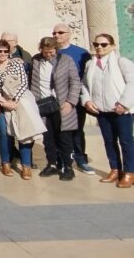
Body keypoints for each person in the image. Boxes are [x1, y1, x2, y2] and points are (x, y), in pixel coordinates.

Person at [0, 39, 45, 180]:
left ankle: (26, 166)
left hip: (20, 101)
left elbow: (24, 82)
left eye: (5, 51)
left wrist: (14, 101)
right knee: (5, 134)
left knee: (24, 133)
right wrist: (4, 102)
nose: (2, 54)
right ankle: (5, 162)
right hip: (2, 103)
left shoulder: (16, 63)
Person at [81, 33, 134, 188]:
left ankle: (130, 172)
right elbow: (84, 85)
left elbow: (132, 83)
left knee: (126, 142)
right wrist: (87, 100)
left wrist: (124, 104)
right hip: (102, 111)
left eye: (103, 44)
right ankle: (115, 169)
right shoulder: (90, 64)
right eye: (96, 44)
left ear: (112, 46)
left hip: (121, 111)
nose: (99, 47)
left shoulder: (121, 62)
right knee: (109, 141)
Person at [31, 37, 81, 182]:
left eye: (51, 52)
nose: (48, 55)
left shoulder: (66, 60)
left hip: (62, 105)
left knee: (65, 138)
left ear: (56, 49)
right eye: (45, 52)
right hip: (43, 105)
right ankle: (52, 163)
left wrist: (70, 102)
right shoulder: (36, 60)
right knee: (48, 138)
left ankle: (68, 166)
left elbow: (75, 81)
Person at [53, 23, 94, 174]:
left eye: (60, 32)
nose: (57, 35)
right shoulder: (50, 53)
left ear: (69, 34)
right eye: (55, 33)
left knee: (77, 130)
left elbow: (87, 77)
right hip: (56, 99)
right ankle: (61, 159)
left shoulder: (81, 53)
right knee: (58, 130)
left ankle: (80, 158)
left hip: (75, 98)